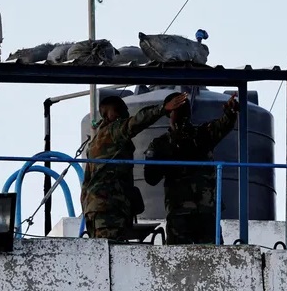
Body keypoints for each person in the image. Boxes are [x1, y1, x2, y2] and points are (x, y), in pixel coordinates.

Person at [81, 93, 190, 240]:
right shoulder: (113, 131)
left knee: (103, 250)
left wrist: (87, 209)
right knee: (111, 249)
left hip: (97, 209)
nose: (125, 113)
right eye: (119, 110)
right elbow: (137, 122)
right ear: (107, 114)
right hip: (109, 207)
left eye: (125, 109)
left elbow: (86, 183)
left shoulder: (95, 142)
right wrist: (163, 109)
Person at [143, 92, 240, 244]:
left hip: (206, 211)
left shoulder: (202, 135)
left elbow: (224, 124)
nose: (182, 115)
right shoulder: (161, 144)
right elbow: (151, 178)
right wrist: (168, 155)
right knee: (179, 256)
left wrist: (230, 111)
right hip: (179, 211)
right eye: (177, 110)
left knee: (213, 255)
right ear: (169, 113)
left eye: (184, 110)